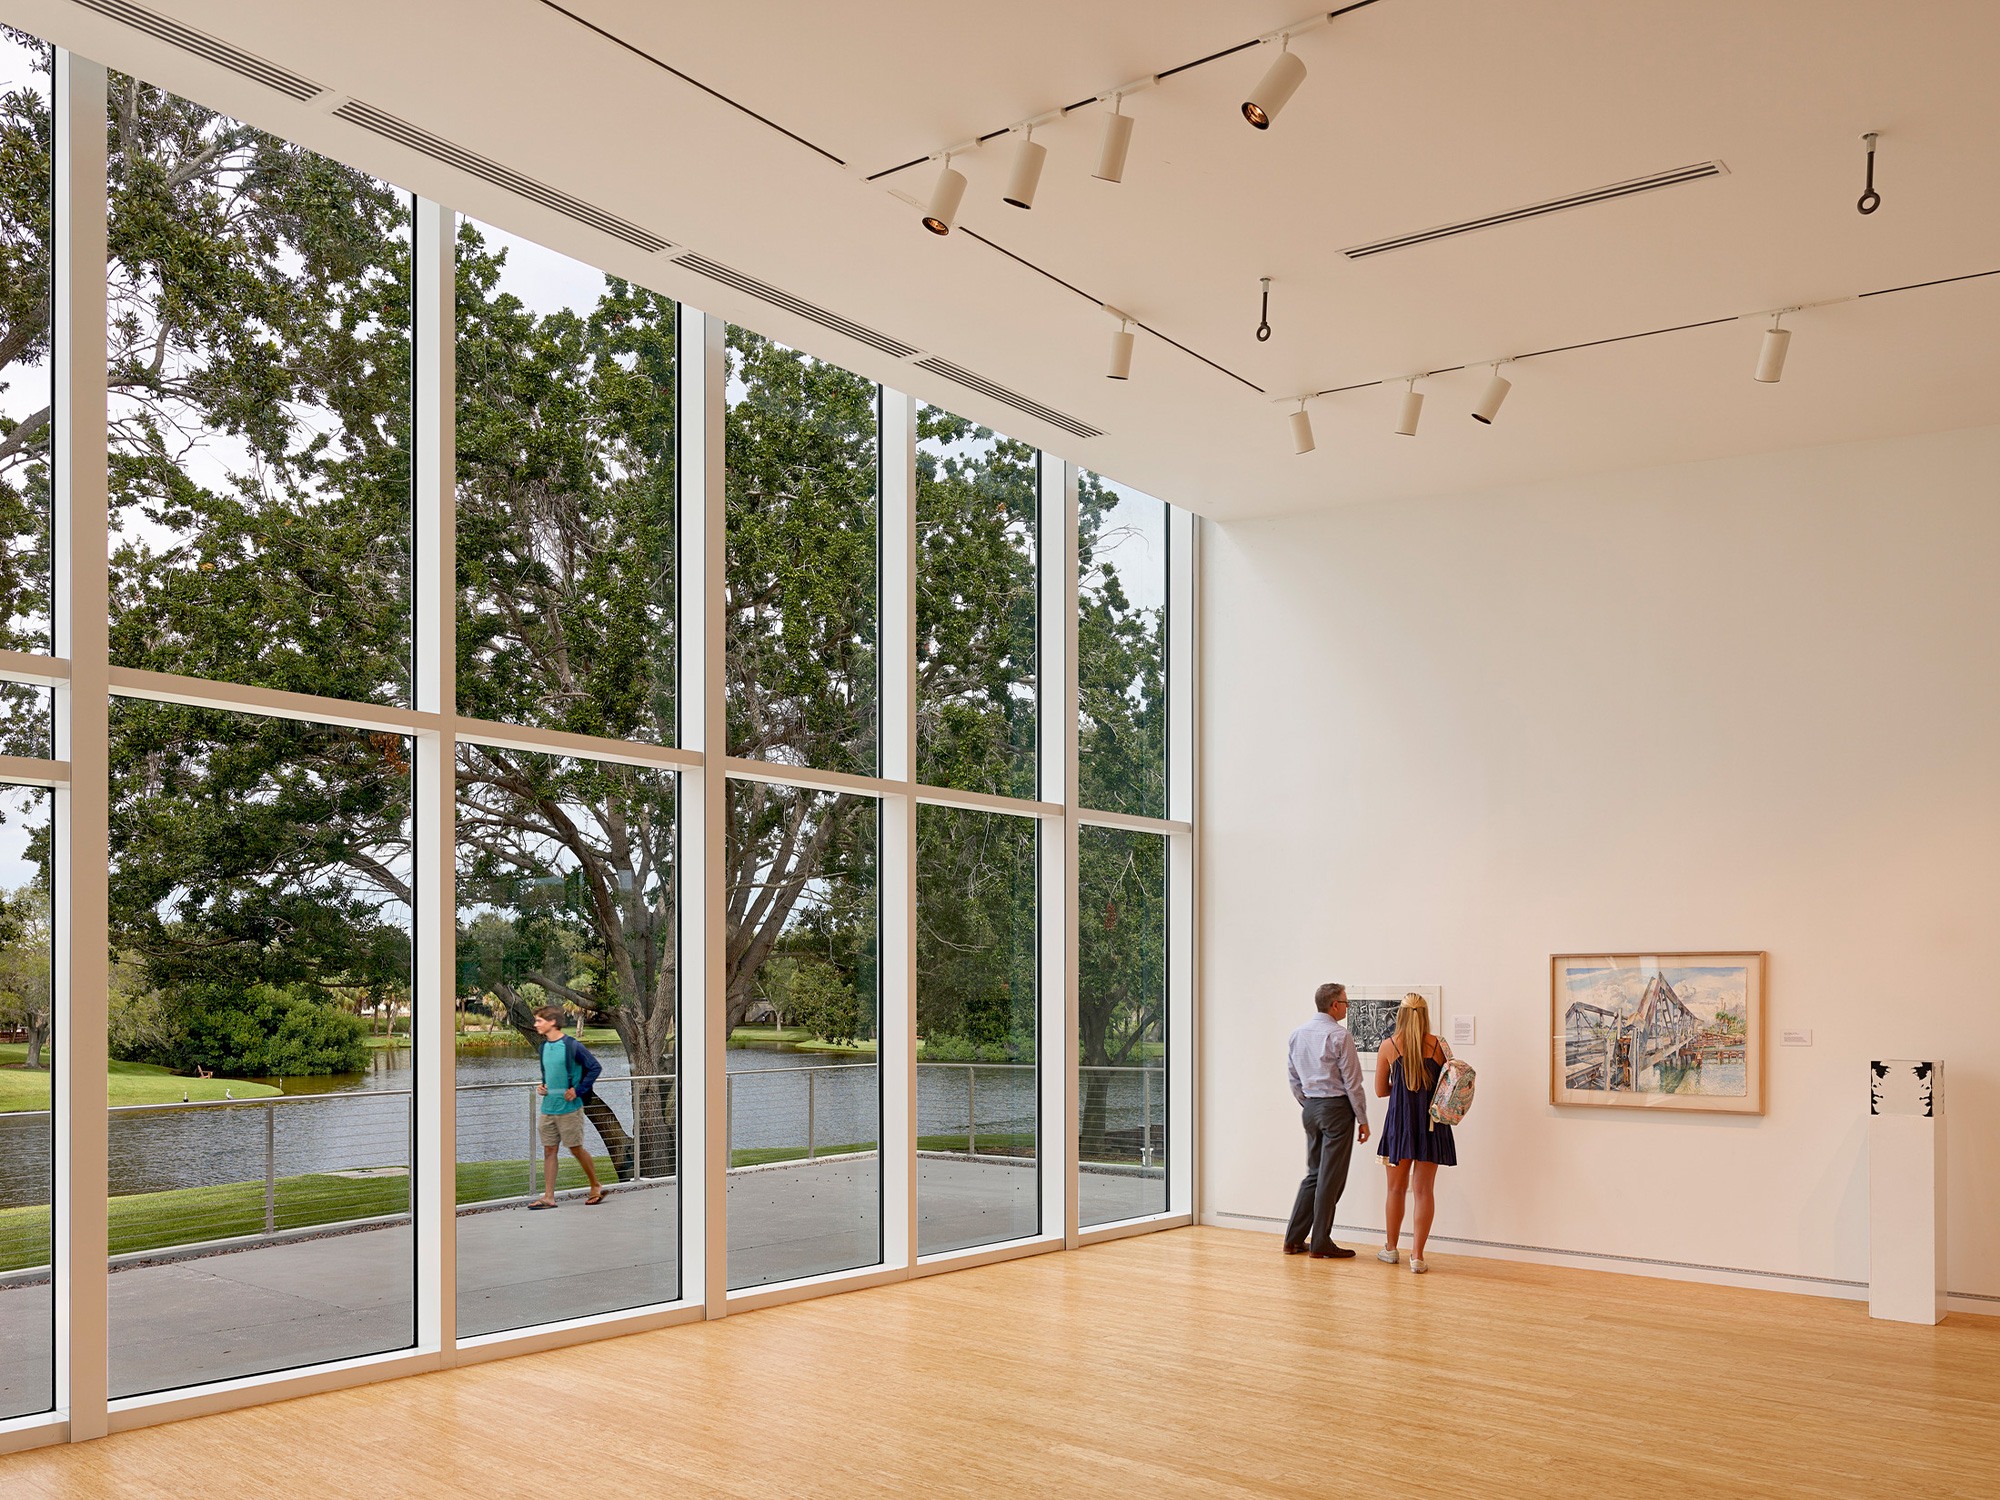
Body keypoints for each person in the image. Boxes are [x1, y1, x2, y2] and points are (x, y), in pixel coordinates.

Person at [1283, 981, 1371, 1258]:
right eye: (1345, 1003)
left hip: (1310, 1108)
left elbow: (1293, 1078)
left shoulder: (1297, 1034)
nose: (1347, 1007)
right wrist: (1363, 1118)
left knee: (1314, 1174)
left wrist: (1309, 1104)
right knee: (1330, 1178)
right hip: (1336, 1110)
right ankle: (1321, 1241)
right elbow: (1353, 1083)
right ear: (1334, 1005)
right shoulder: (1339, 1035)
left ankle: (1293, 1240)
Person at [1374, 991, 1455, 1273]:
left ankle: (1390, 1249)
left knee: (1395, 1189)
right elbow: (1449, 1086)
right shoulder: (1438, 1045)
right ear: (1425, 1014)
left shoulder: (1389, 1046)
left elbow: (1380, 1090)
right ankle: (1417, 1256)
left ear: (1401, 1015)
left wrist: (1401, 1088)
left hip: (1400, 1124)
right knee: (1424, 1191)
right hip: (1432, 1124)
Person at [528, 1005, 606, 1209]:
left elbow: (595, 1067)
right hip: (548, 1107)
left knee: (575, 1148)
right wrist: (543, 1086)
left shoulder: (572, 1045)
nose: (536, 1024)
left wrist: (578, 1090)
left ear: (552, 1022)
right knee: (549, 1150)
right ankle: (548, 1197)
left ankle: (596, 1185)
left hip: (570, 1108)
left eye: (539, 1021)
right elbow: (550, 1074)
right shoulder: (543, 1047)